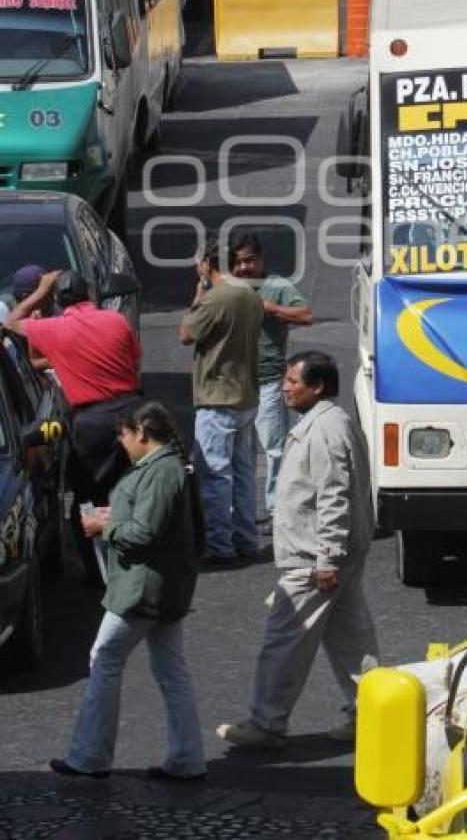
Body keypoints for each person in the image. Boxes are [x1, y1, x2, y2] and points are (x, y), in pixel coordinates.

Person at [216, 351, 379, 747]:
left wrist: (326, 558)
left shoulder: (323, 430)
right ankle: (373, 715)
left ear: (317, 386)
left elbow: (333, 496)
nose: (285, 388)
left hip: (314, 558)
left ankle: (266, 723)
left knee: (284, 642)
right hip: (334, 554)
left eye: (292, 382)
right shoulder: (332, 422)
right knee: (351, 642)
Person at [50, 401, 207, 781]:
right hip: (163, 587)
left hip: (141, 588)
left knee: (104, 659)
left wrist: (104, 528)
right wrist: (113, 517)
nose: (121, 444)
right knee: (171, 671)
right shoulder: (169, 467)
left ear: (141, 433)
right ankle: (187, 758)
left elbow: (144, 533)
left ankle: (90, 756)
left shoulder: (161, 472)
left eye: (123, 436)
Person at [5, 269, 142, 502]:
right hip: (134, 413)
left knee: (95, 497)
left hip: (92, 425)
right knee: (141, 487)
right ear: (88, 293)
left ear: (57, 298)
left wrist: (40, 291)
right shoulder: (117, 320)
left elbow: (9, 323)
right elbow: (134, 360)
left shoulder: (54, 329)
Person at [178, 236, 265, 562]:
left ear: (207, 264)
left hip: (217, 397)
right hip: (246, 395)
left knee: (215, 476)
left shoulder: (216, 299)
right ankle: (247, 539)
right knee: (243, 474)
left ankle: (219, 545)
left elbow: (186, 334)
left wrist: (199, 293)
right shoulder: (249, 295)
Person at [229, 233, 313, 520]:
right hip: (235, 386)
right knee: (239, 453)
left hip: (268, 382)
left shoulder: (276, 286)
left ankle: (277, 508)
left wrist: (272, 309)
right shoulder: (229, 287)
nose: (244, 268)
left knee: (274, 450)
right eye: (238, 262)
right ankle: (241, 510)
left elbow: (305, 314)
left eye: (250, 261)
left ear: (262, 259)